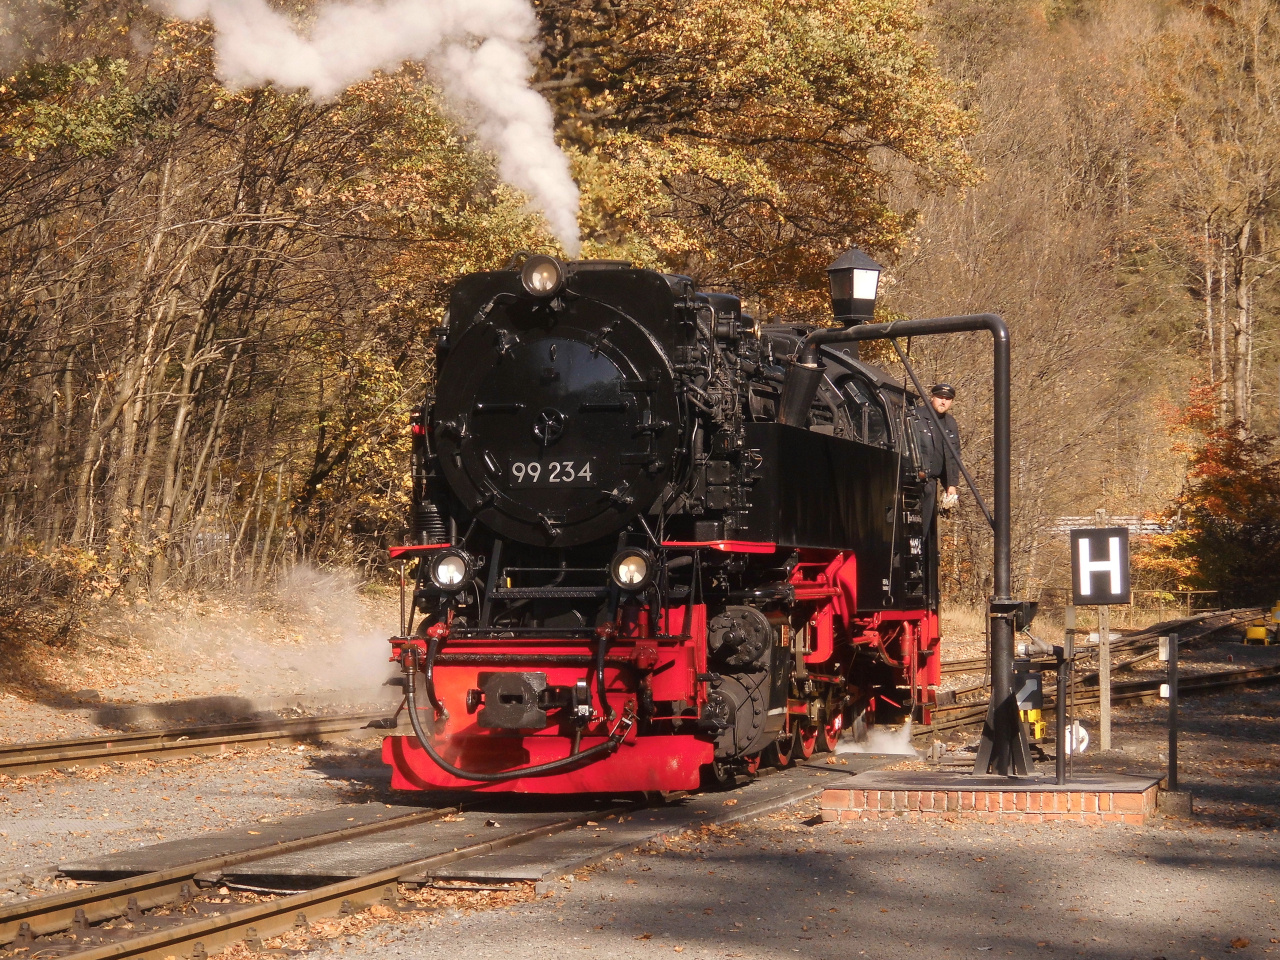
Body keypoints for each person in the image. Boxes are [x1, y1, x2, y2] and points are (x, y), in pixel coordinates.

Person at [912, 382, 962, 538]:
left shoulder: (951, 423)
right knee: (912, 527)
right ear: (932, 397)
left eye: (948, 399)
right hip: (913, 482)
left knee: (925, 530)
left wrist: (951, 485)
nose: (943, 401)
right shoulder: (916, 416)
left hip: (932, 484)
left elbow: (954, 455)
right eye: (940, 397)